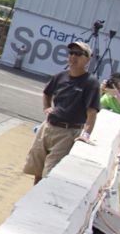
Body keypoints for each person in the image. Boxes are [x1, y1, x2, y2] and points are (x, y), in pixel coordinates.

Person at [24, 41, 100, 182]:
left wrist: (86, 135)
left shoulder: (91, 83)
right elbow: (47, 93)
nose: (73, 57)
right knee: (37, 168)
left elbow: (92, 113)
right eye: (71, 53)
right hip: (48, 127)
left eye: (78, 54)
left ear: (88, 59)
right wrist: (47, 108)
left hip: (67, 132)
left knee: (50, 172)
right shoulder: (60, 76)